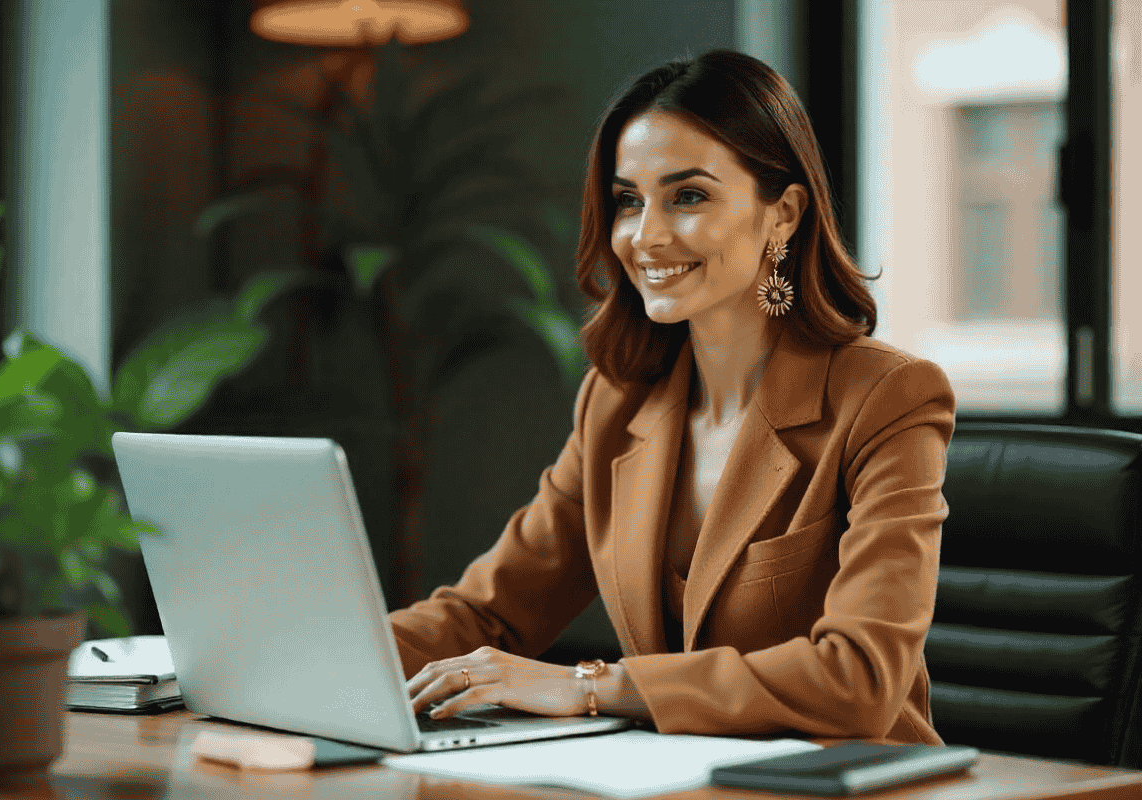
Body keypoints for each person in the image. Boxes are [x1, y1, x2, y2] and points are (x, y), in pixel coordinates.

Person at [389, 49, 954, 745]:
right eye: (629, 200)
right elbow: (485, 614)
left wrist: (588, 686)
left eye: (688, 195)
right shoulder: (617, 403)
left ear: (784, 214)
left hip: (845, 786)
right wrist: (303, 662)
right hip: (679, 780)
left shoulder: (887, 397)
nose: (647, 236)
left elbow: (860, 680)